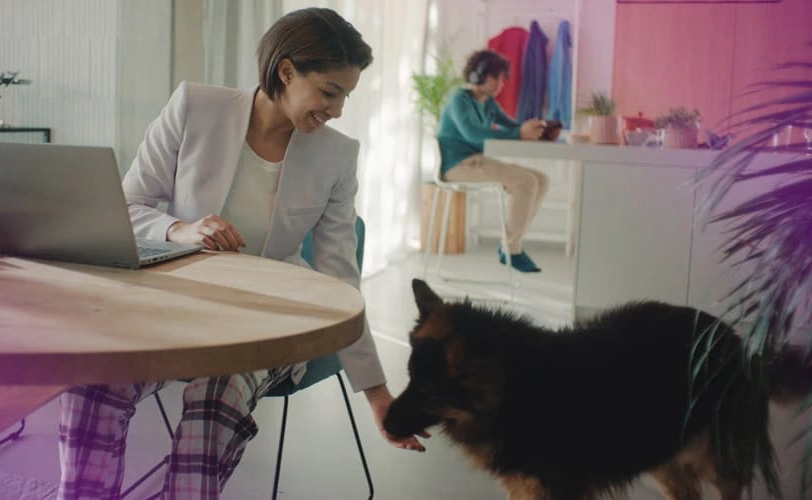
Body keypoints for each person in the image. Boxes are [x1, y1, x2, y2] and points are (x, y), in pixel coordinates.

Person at [57, 8, 426, 500]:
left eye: (345, 97)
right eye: (329, 93)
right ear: (287, 71)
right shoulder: (194, 106)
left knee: (215, 399)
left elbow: (341, 281)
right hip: (176, 306)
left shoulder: (338, 154)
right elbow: (127, 206)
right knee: (95, 382)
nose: (336, 110)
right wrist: (182, 228)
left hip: (270, 322)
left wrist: (379, 394)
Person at [437, 49, 554, 273]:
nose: (502, 82)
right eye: (497, 77)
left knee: (541, 179)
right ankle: (512, 250)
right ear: (478, 75)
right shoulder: (459, 100)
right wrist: (520, 133)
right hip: (457, 167)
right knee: (526, 182)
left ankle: (509, 245)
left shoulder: (488, 103)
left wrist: (535, 128)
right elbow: (473, 134)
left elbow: (511, 126)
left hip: (476, 162)